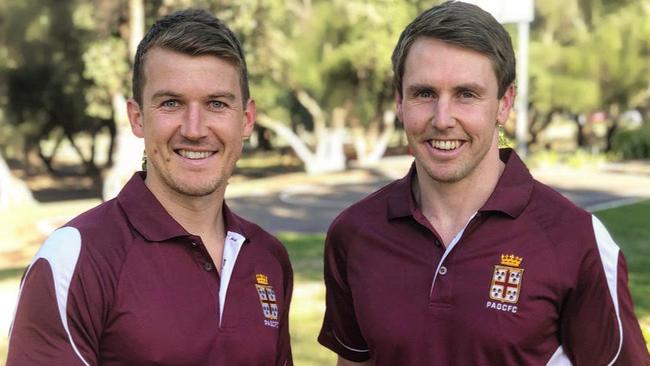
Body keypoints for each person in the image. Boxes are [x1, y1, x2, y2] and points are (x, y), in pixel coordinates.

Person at [318, 2, 650, 365]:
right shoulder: (354, 234)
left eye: (466, 94)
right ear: (400, 102)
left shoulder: (575, 239)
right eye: (424, 93)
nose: (443, 119)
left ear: (504, 104)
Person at [7, 9, 293, 365]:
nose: (194, 128)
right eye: (170, 103)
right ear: (137, 117)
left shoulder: (268, 257)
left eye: (216, 103)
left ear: (246, 119)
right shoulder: (76, 256)